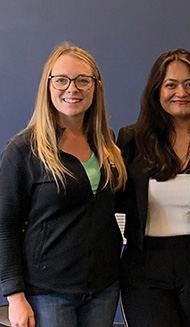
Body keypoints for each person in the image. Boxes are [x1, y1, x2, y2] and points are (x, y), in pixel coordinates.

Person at [0, 44, 127, 327]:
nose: (73, 88)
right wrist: (15, 296)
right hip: (49, 293)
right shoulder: (23, 150)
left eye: (83, 80)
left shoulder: (106, 143)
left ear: (96, 87)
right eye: (61, 80)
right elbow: (5, 225)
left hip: (104, 286)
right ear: (48, 86)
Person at [116, 48, 190, 327]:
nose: (180, 93)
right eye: (170, 84)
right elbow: (107, 203)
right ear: (157, 91)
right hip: (143, 268)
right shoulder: (130, 140)